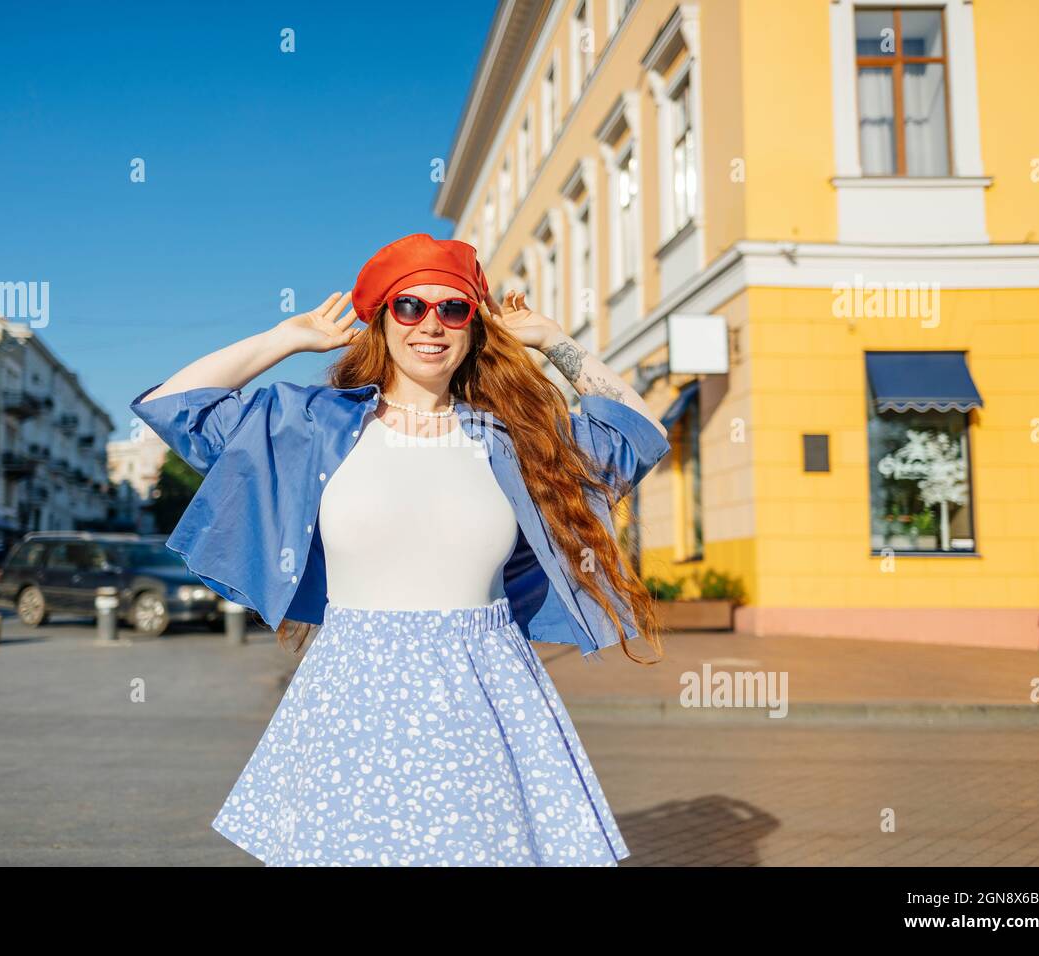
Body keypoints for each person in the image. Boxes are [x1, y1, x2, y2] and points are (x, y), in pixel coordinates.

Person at [131, 233, 671, 866]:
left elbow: (641, 432)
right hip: (352, 694)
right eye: (409, 307)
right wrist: (288, 338)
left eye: (454, 309)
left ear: (475, 327)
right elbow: (173, 406)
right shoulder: (312, 426)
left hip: (487, 693)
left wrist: (555, 341)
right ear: (382, 321)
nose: (431, 325)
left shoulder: (516, 440)